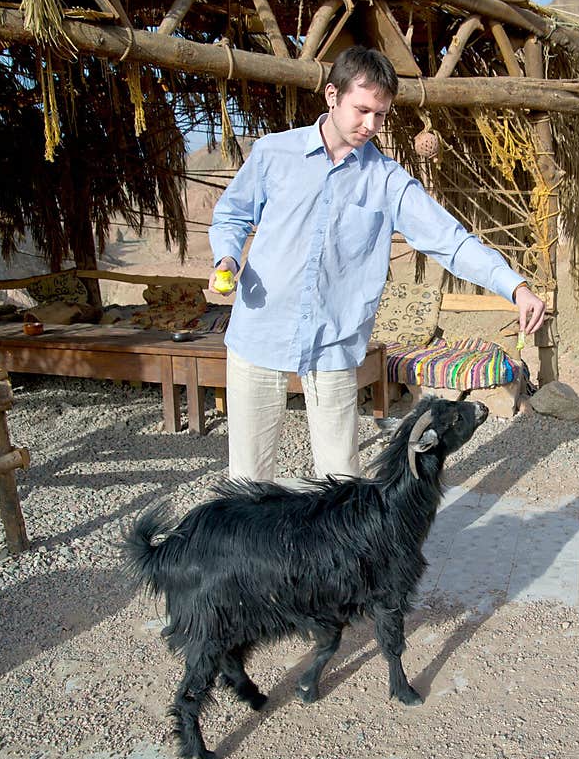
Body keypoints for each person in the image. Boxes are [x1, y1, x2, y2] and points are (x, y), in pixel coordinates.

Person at [209, 46, 545, 482]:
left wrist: (513, 286)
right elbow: (232, 214)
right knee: (247, 483)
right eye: (362, 110)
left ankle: (335, 553)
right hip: (260, 332)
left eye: (381, 115)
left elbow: (451, 242)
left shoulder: (387, 180)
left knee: (340, 484)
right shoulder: (275, 154)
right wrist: (228, 255)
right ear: (332, 95)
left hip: (333, 343)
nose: (371, 125)